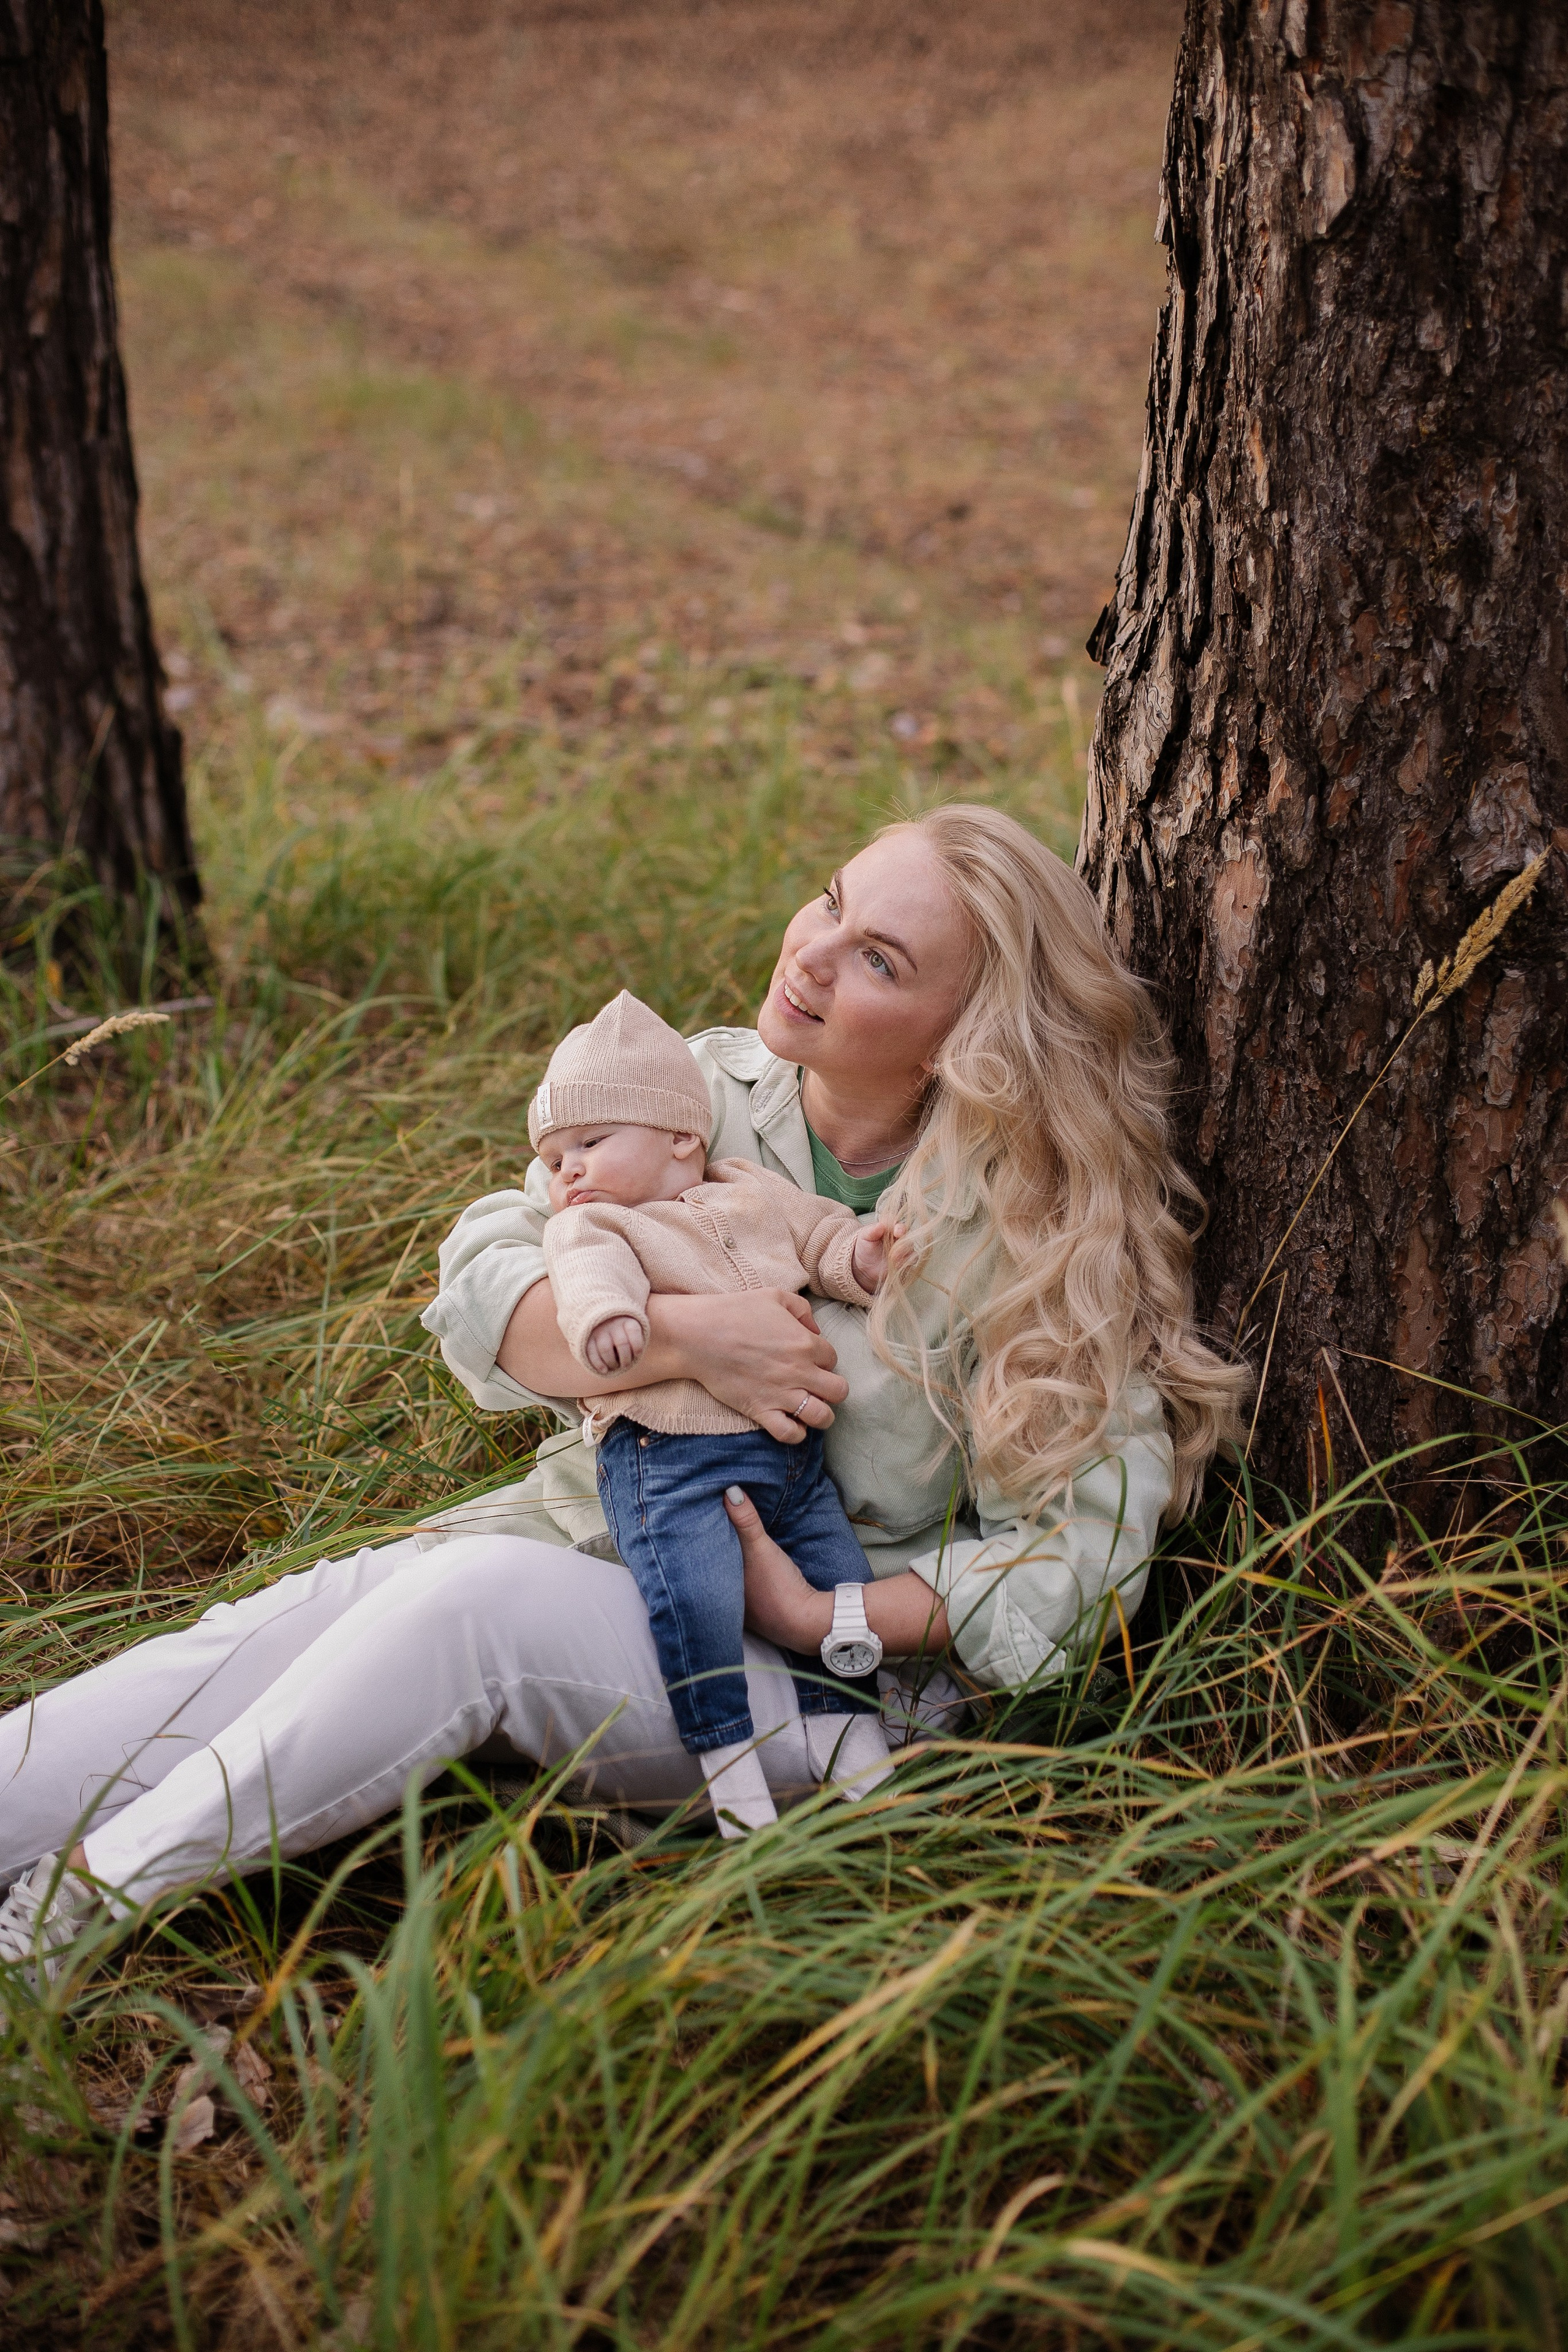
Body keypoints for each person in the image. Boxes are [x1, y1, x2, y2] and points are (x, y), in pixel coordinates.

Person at [0, 804, 1248, 2000]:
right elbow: (493, 1272)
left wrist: (828, 1612)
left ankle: (63, 1917)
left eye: (875, 957)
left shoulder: (1032, 1230)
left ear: (956, 1037)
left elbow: (1078, 1552)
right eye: (829, 902)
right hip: (579, 1537)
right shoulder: (697, 1090)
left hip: (797, 1686)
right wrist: (677, 1339)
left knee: (467, 1607)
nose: (809, 954)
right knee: (274, 1628)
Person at [531, 987, 895, 1834]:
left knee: (840, 1582)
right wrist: (614, 1322)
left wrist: (859, 1261)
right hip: (668, 1457)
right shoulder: (599, 1228)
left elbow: (819, 1237)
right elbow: (585, 1279)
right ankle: (729, 1770)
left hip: (792, 1462)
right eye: (553, 1160)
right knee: (695, 1603)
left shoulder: (750, 1190)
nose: (568, 1173)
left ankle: (854, 1744)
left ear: (682, 1138)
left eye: (589, 1143)